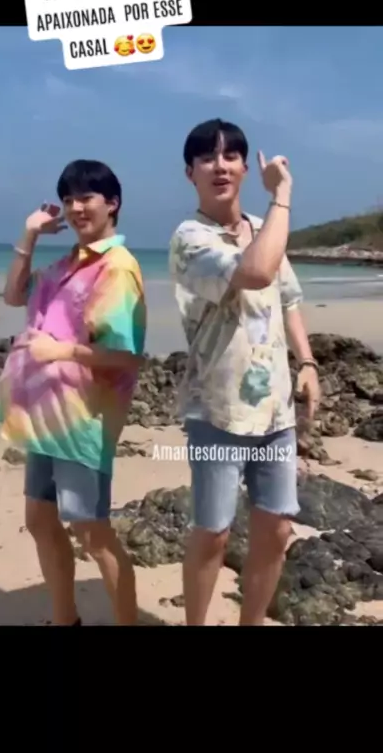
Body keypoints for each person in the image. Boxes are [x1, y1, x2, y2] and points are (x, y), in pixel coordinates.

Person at [168, 119, 320, 626]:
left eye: (230, 156)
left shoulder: (263, 226)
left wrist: (307, 361)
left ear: (243, 167)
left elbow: (288, 297)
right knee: (213, 532)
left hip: (275, 411)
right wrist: (283, 197)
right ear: (190, 172)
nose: (220, 166)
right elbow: (255, 271)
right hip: (218, 410)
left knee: (276, 529)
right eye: (207, 158)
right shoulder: (190, 238)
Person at [0, 160, 147, 626]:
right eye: (69, 199)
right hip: (45, 417)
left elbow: (126, 356)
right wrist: (30, 235)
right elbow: (14, 295)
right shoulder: (67, 266)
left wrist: (61, 351)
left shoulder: (116, 268)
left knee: (91, 531)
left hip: (84, 422)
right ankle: (65, 620)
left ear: (112, 203)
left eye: (86, 197)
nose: (76, 208)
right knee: (40, 519)